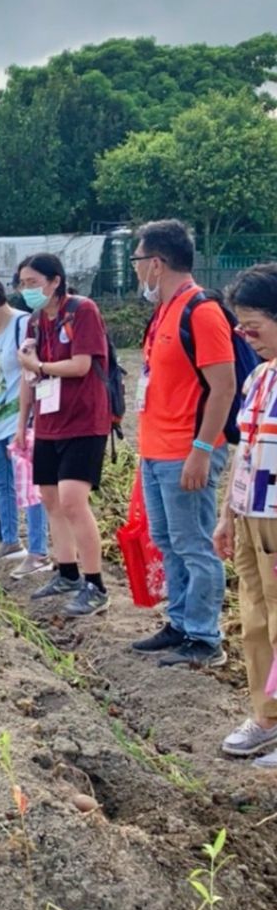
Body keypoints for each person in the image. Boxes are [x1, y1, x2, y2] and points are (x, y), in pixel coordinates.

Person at [131, 219, 234, 666]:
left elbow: (224, 387)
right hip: (156, 450)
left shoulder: (201, 310)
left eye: (137, 260)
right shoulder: (164, 310)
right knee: (169, 541)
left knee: (194, 544)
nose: (136, 269)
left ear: (157, 263)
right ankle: (179, 623)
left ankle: (205, 638)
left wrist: (203, 449)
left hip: (185, 452)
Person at [17, 252, 111, 618]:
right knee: (51, 500)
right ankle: (67, 571)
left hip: (84, 420)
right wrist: (22, 424)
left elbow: (82, 364)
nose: (27, 290)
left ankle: (95, 584)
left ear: (55, 281)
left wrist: (39, 365)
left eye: (33, 283)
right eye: (23, 284)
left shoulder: (82, 310)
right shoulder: (35, 323)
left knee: (73, 501)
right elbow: (28, 378)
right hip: (48, 422)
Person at [213, 265, 277, 763]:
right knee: (255, 618)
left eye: (254, 323)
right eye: (241, 325)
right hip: (253, 515)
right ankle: (266, 716)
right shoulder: (259, 376)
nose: (246, 334)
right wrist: (228, 515)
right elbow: (244, 450)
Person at [0, 272, 51, 575]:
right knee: (0, 482)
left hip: (18, 418)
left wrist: (23, 422)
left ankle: (39, 549)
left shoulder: (22, 324)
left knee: (29, 485)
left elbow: (29, 373)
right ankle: (11, 540)